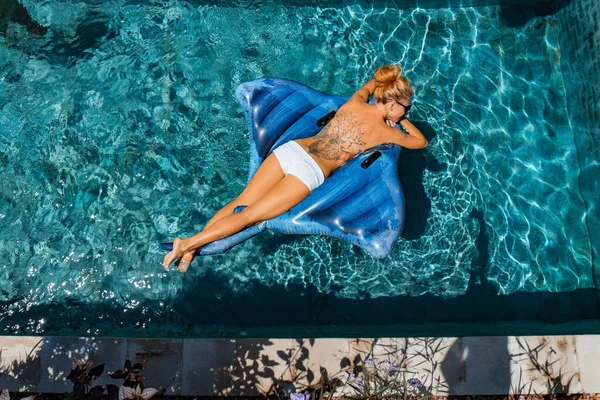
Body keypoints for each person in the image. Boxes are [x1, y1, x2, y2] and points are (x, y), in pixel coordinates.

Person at [162, 64, 428, 272]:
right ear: (393, 104)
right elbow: (420, 142)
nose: (406, 111)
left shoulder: (356, 100)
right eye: (406, 107)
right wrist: (404, 122)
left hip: (292, 149)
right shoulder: (385, 132)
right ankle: (186, 244)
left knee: (240, 201)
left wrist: (387, 84)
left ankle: (189, 252)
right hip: (309, 171)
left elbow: (372, 83)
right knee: (250, 216)